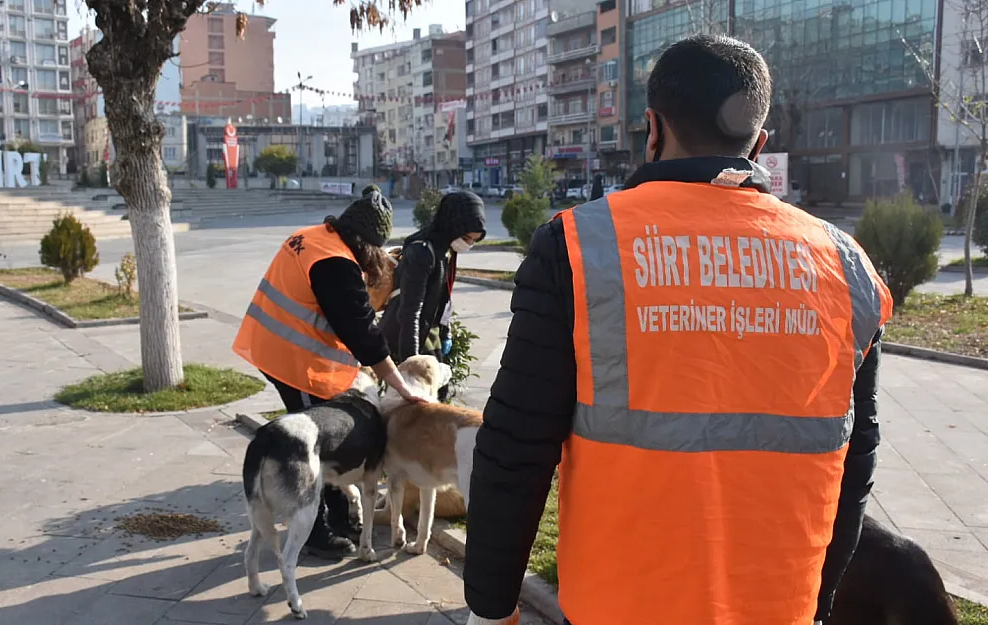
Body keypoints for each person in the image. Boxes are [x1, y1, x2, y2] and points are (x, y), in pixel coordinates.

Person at [462, 35, 894, 625]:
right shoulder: (845, 265)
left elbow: (515, 446)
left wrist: (490, 605)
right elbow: (857, 455)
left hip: (616, 607)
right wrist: (817, 604)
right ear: (760, 145)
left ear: (652, 127)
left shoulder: (580, 247)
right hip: (777, 609)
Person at [232, 189, 427, 560]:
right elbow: (363, 336)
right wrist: (400, 386)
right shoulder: (335, 264)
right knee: (314, 443)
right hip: (294, 360)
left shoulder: (316, 238)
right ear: (367, 243)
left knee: (327, 439)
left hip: (274, 345)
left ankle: (339, 516)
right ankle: (314, 531)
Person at [379, 190, 487, 399]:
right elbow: (409, 313)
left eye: (474, 241)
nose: (468, 244)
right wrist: (411, 366)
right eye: (466, 238)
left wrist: (446, 333)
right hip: (404, 336)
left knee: (439, 393)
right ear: (453, 225)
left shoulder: (446, 250)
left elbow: (442, 298)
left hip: (430, 331)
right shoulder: (422, 252)